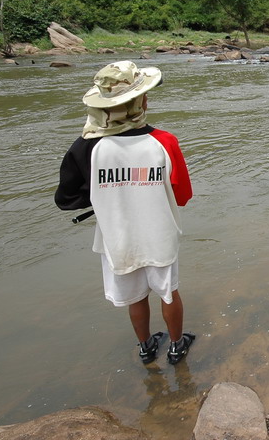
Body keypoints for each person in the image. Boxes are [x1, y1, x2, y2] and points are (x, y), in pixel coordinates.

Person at [55, 60, 195, 364]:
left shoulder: (87, 147)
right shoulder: (164, 142)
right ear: (141, 102)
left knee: (135, 296)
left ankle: (145, 348)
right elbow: (183, 195)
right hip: (159, 235)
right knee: (168, 292)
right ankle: (176, 345)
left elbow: (67, 199)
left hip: (117, 240)